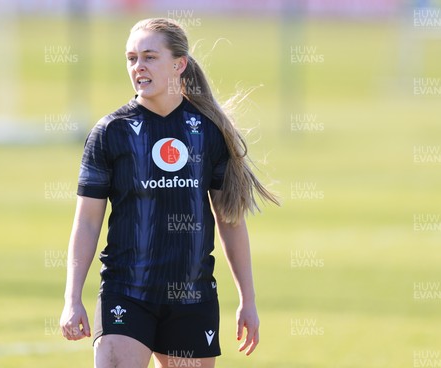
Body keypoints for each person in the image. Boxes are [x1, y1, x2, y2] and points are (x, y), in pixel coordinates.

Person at [60, 18, 278, 368]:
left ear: (179, 64)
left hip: (192, 298)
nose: (138, 67)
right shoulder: (110, 132)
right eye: (131, 58)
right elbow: (86, 222)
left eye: (149, 57)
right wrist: (72, 298)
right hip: (126, 292)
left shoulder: (208, 132)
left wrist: (247, 300)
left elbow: (230, 221)